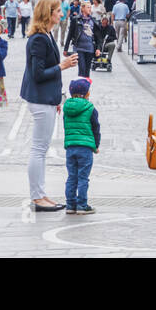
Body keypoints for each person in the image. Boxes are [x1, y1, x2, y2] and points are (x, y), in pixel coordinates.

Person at [22, 0, 78, 213]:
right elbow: (37, 74)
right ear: (48, 13)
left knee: (41, 149)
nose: (61, 14)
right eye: (57, 11)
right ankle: (37, 197)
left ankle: (41, 194)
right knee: (38, 149)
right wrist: (62, 66)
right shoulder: (39, 38)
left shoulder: (46, 35)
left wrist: (57, 96)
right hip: (40, 99)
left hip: (46, 98)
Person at [62, 78, 101, 215]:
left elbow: (66, 126)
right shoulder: (90, 108)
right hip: (85, 148)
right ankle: (82, 205)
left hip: (71, 146)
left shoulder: (66, 107)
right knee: (83, 177)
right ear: (87, 94)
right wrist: (96, 145)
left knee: (72, 176)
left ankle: (70, 205)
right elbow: (96, 128)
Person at [64, 0, 98, 78]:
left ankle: (86, 89)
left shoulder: (93, 20)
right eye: (88, 7)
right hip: (79, 48)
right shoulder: (76, 19)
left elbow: (97, 36)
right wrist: (66, 49)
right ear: (82, 8)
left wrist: (98, 48)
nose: (90, 9)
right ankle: (81, 88)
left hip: (90, 49)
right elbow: (70, 34)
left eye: (90, 7)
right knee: (82, 69)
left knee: (87, 71)